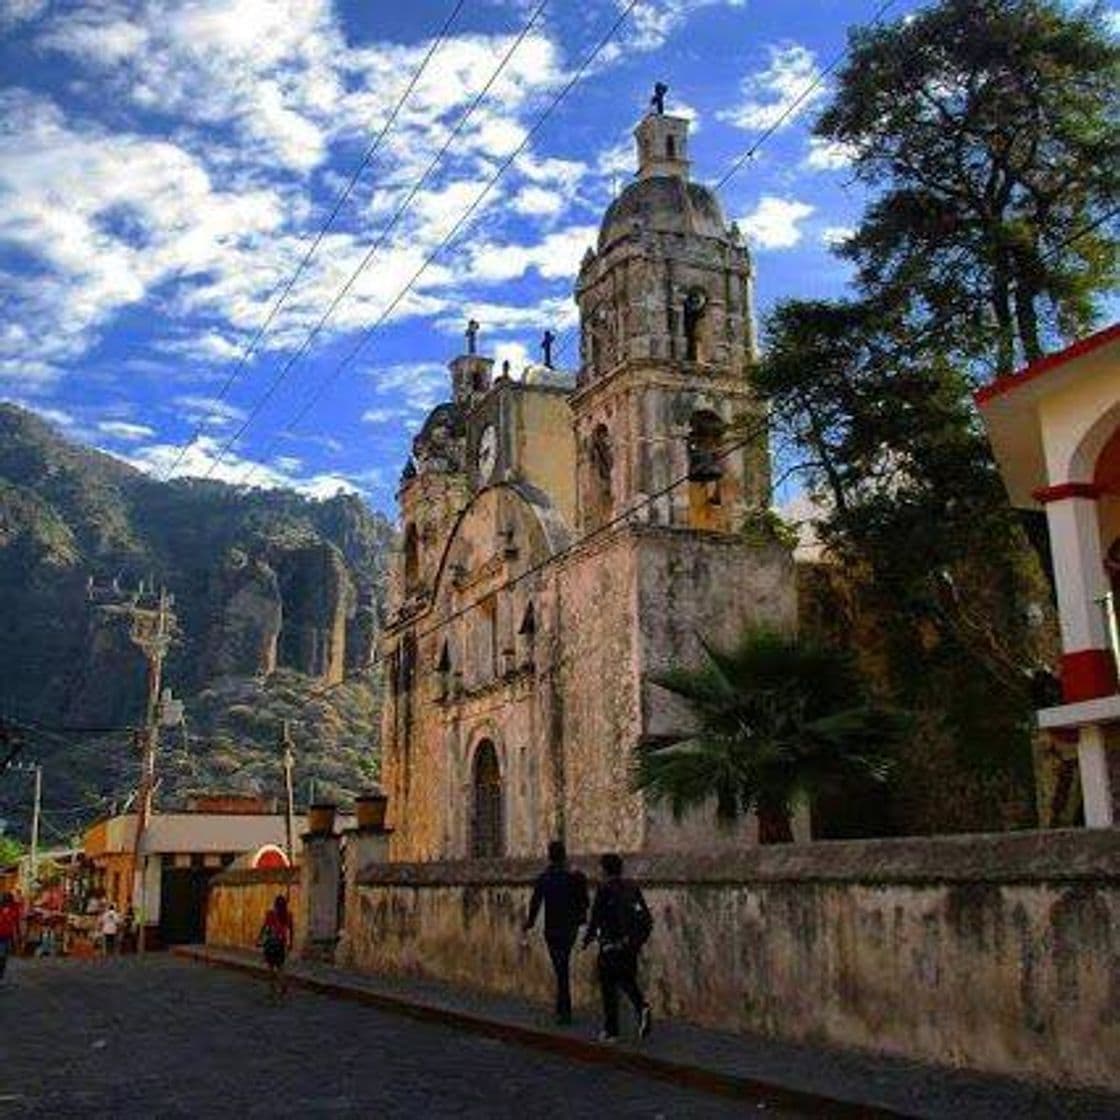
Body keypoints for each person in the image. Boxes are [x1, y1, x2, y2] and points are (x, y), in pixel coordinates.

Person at [582, 853, 654, 1043]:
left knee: (608, 987)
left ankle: (611, 1030)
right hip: (629, 945)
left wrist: (588, 938)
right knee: (627, 979)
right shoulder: (631, 888)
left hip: (610, 945)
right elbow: (644, 917)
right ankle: (641, 1006)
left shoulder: (604, 889)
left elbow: (596, 917)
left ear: (605, 870)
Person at [522, 840, 589, 1025]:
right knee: (562, 966)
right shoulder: (572, 877)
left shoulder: (545, 878)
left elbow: (536, 902)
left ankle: (564, 1009)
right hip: (570, 928)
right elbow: (584, 900)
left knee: (560, 968)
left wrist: (529, 923)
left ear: (550, 856)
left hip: (553, 929)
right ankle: (562, 1007)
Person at [259, 895, 294, 1003]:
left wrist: (259, 938)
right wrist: (290, 943)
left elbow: (264, 927)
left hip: (271, 943)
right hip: (280, 943)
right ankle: (283, 985)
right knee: (280, 967)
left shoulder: (270, 914)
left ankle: (272, 989)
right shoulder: (288, 915)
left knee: (270, 967)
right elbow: (291, 930)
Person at [0, 891, 23, 982]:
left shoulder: (14, 908)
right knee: (2, 955)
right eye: (6, 902)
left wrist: (18, 934)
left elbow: (16, 922)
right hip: (2, 935)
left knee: (4, 956)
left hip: (7, 935)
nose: (7, 903)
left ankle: (1, 974)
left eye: (9, 901)